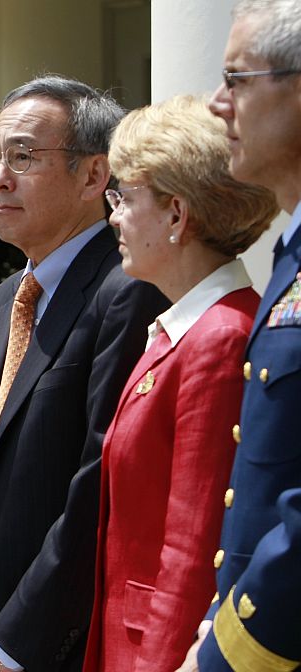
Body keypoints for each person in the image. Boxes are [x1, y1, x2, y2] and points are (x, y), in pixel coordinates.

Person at [0, 75, 169, 672]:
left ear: (93, 176)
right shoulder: (1, 301)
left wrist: (11, 643)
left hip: (55, 644)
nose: (0, 178)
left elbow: (97, 486)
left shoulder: (127, 290)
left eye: (24, 157)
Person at [80, 95, 278, 672]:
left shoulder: (219, 337)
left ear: (176, 215)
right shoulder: (188, 327)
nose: (113, 216)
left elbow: (193, 548)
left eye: (124, 197)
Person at [178, 2, 301, 669]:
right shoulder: (290, 253)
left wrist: (228, 652)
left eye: (237, 79)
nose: (217, 103)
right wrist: (217, 628)